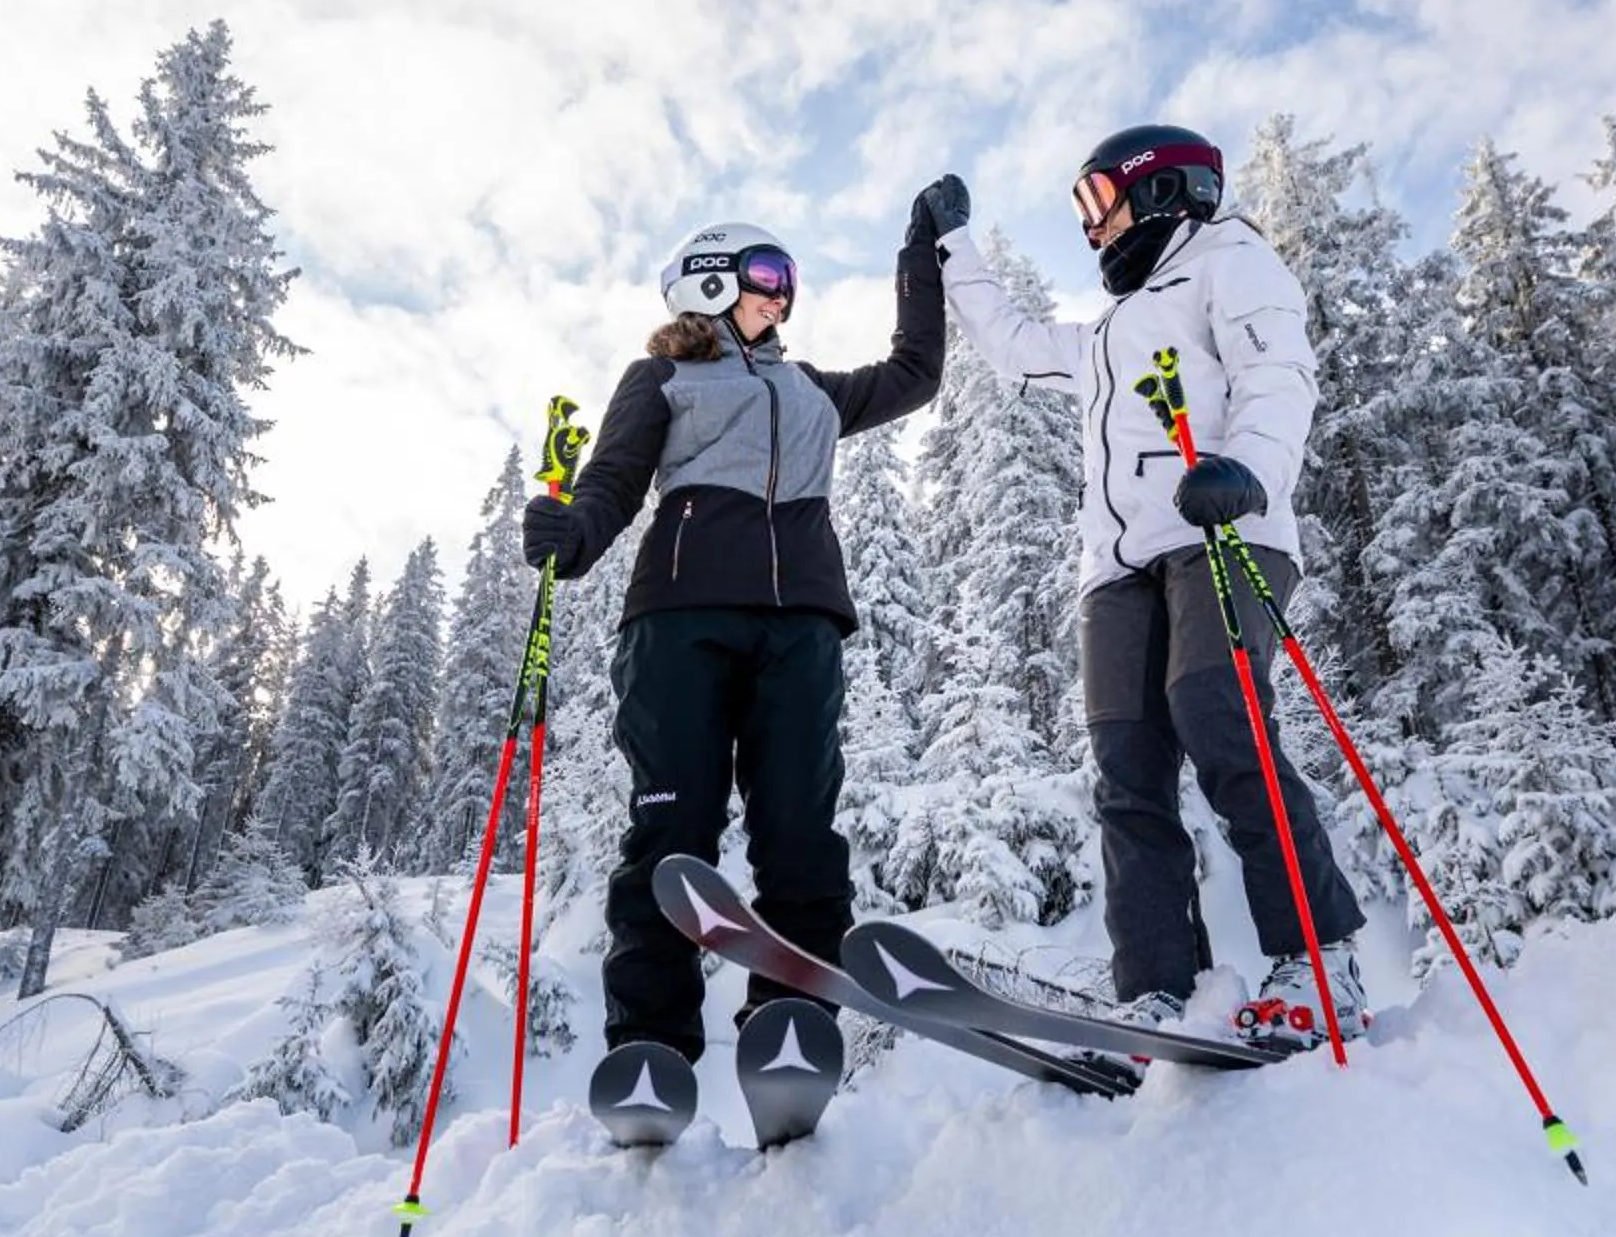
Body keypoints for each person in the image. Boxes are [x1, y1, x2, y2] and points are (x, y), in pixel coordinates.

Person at [932, 125, 1370, 1038]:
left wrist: (1247, 468)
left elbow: (1279, 374)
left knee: (1218, 717)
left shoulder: (1230, 261)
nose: (1092, 228)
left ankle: (1318, 958)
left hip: (1219, 526)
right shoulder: (1107, 334)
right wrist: (952, 246)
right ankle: (1160, 988)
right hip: (1116, 569)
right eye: (1081, 212)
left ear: (1164, 188)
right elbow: (1014, 348)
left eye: (1099, 201)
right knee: (1127, 770)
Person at [523, 187, 958, 1065]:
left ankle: (789, 1029)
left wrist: (920, 254)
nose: (782, 295)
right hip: (679, 626)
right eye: (768, 274)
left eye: (788, 281)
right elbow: (612, 481)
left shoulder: (809, 389)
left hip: (799, 629)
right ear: (709, 282)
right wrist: (571, 537)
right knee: (671, 832)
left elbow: (915, 374)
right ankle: (650, 1046)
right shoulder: (663, 379)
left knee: (801, 834)